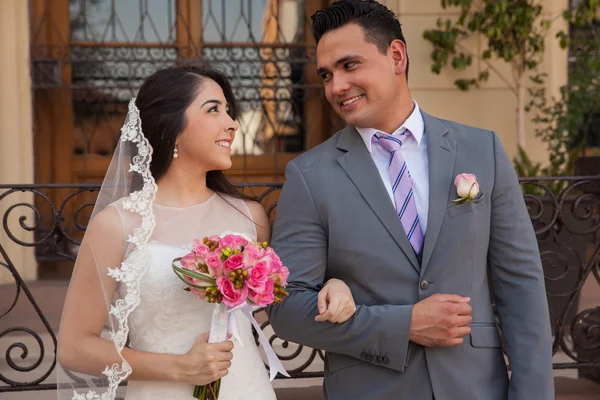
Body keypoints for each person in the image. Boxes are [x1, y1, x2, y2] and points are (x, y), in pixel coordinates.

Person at [268, 1, 554, 399]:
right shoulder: (309, 176)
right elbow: (287, 311)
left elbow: (521, 285)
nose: (335, 87)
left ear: (397, 56)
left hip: (476, 389)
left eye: (350, 65)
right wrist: (405, 325)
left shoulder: (481, 150)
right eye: (327, 74)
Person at [57, 65, 356, 400]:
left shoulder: (249, 216)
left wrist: (335, 283)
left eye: (229, 111)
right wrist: (178, 367)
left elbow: (291, 291)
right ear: (170, 125)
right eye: (214, 109)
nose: (231, 123)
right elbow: (74, 348)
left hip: (247, 389)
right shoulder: (117, 224)